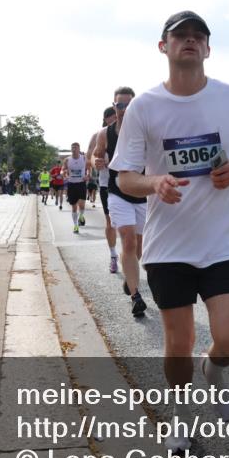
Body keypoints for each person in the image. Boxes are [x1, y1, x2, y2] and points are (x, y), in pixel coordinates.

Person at [112, 11, 229, 451]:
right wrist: (154, 183)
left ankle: (213, 370)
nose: (190, 42)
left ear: (208, 48)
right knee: (178, 344)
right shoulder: (144, 107)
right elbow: (124, 177)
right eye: (181, 36)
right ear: (165, 47)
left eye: (199, 37)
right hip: (169, 246)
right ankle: (180, 416)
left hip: (224, 241)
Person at [94, 87, 147, 315]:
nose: (124, 109)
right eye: (120, 105)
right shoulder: (106, 133)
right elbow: (96, 153)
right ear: (114, 107)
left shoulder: (147, 129)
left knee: (140, 246)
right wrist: (96, 161)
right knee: (128, 241)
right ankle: (136, 296)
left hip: (143, 194)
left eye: (128, 105)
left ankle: (130, 276)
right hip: (117, 192)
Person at [88, 106, 119, 273]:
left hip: (132, 183)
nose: (116, 117)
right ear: (106, 119)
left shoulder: (131, 131)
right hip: (108, 184)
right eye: (112, 116)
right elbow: (89, 158)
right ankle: (114, 255)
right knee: (110, 222)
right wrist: (96, 163)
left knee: (135, 228)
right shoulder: (99, 135)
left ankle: (133, 258)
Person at [63, 142, 89, 233]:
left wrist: (87, 175)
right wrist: (64, 174)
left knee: (81, 204)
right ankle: (76, 225)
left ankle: (81, 216)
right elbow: (63, 169)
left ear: (79, 149)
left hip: (81, 184)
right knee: (74, 207)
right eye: (72, 148)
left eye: (75, 148)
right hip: (71, 184)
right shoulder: (67, 160)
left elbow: (89, 168)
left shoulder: (84, 158)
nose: (73, 149)